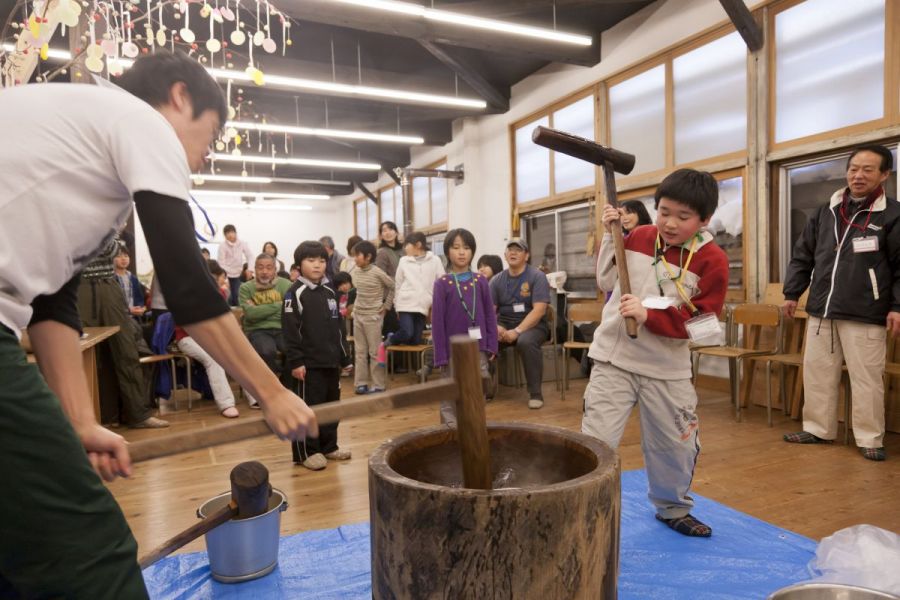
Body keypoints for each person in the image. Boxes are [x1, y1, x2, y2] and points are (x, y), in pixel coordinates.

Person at [0, 50, 316, 598]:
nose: (199, 161)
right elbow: (189, 286)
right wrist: (271, 392)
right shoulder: (139, 119)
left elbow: (52, 303)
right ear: (179, 97)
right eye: (210, 137)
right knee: (89, 548)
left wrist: (79, 422)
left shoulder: (74, 133)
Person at [582, 168, 728, 538]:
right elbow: (606, 282)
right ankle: (582, 508)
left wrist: (651, 317)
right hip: (614, 358)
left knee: (674, 448)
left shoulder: (712, 260)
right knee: (596, 442)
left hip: (668, 367)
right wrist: (610, 236)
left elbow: (705, 327)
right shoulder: (641, 237)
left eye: (683, 216)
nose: (670, 223)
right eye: (663, 212)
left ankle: (673, 508)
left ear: (704, 219)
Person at [782, 145, 899, 462]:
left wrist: (897, 307)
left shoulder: (892, 215)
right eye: (854, 168)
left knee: (867, 378)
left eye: (868, 169)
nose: (858, 175)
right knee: (817, 372)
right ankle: (818, 429)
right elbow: (803, 256)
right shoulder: (826, 211)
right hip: (821, 309)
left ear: (884, 175)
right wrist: (792, 293)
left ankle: (869, 437)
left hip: (866, 311)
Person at [78, 237, 167, 429]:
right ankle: (105, 417)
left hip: (108, 284)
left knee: (125, 349)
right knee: (91, 355)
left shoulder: (106, 220)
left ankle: (138, 414)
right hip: (79, 286)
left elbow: (110, 250)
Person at [283, 241, 352, 470]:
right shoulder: (295, 294)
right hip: (308, 365)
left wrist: (344, 358)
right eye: (311, 260)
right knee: (308, 410)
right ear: (299, 265)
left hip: (330, 362)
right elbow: (291, 332)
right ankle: (306, 452)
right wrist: (296, 361)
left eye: (321, 261)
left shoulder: (331, 291)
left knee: (331, 407)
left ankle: (329, 446)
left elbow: (338, 329)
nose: (317, 265)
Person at [432, 229, 498, 425]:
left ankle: (475, 429)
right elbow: (437, 323)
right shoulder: (442, 283)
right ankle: (449, 433)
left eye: (467, 248)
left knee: (477, 390)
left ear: (472, 252)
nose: (462, 252)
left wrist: (492, 344)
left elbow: (489, 315)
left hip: (478, 347)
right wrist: (441, 355)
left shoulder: (481, 280)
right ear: (447, 252)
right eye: (456, 247)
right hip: (452, 351)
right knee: (450, 393)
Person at [490, 238, 551, 409]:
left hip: (534, 325)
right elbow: (489, 311)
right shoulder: (496, 280)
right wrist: (495, 327)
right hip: (504, 323)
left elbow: (539, 310)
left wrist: (516, 331)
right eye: (510, 250)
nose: (513, 253)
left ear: (527, 255)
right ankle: (484, 389)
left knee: (526, 342)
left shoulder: (537, 276)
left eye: (518, 250)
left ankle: (535, 393)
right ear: (505, 255)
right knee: (483, 340)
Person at [175, 260, 240, 418]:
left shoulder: (221, 293)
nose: (218, 280)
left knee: (241, 352)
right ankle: (226, 404)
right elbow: (191, 324)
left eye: (217, 277)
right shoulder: (186, 293)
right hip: (188, 338)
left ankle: (256, 397)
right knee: (214, 359)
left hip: (213, 337)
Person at [239, 253, 293, 408]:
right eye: (260, 267)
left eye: (269, 268)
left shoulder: (285, 284)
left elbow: (288, 310)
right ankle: (270, 391)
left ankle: (284, 387)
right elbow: (250, 314)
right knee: (266, 351)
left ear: (275, 269)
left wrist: (260, 309)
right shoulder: (246, 288)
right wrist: (278, 305)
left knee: (295, 350)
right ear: (254, 269)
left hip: (282, 328)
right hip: (258, 330)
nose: (264, 271)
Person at [382, 231, 444, 351]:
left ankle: (395, 339)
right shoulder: (404, 261)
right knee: (407, 332)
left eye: (407, 245)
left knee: (415, 340)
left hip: (424, 305)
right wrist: (396, 305)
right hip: (406, 303)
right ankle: (391, 338)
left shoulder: (435, 260)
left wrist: (435, 304)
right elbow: (398, 284)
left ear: (418, 245)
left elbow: (441, 281)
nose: (405, 248)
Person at [350, 241, 395, 394]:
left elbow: (393, 286)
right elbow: (358, 293)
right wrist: (355, 309)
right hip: (358, 316)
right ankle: (361, 383)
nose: (355, 258)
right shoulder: (355, 272)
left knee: (375, 352)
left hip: (373, 317)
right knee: (360, 352)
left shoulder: (377, 272)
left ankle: (378, 385)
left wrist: (387, 306)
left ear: (368, 257)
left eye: (357, 255)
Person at [217, 224, 254, 306]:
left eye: (231, 232)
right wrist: (225, 278)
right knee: (227, 296)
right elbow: (221, 263)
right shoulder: (222, 246)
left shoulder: (242, 243)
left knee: (237, 296)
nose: (230, 235)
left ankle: (238, 315)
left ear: (235, 233)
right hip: (226, 275)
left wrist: (250, 269)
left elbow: (250, 256)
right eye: (227, 233)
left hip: (237, 274)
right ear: (225, 236)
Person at [113, 247, 147, 320]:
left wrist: (140, 308)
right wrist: (128, 310)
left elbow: (139, 298)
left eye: (126, 256)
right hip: (117, 318)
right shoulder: (111, 279)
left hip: (133, 319)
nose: (123, 259)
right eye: (118, 256)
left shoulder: (133, 278)